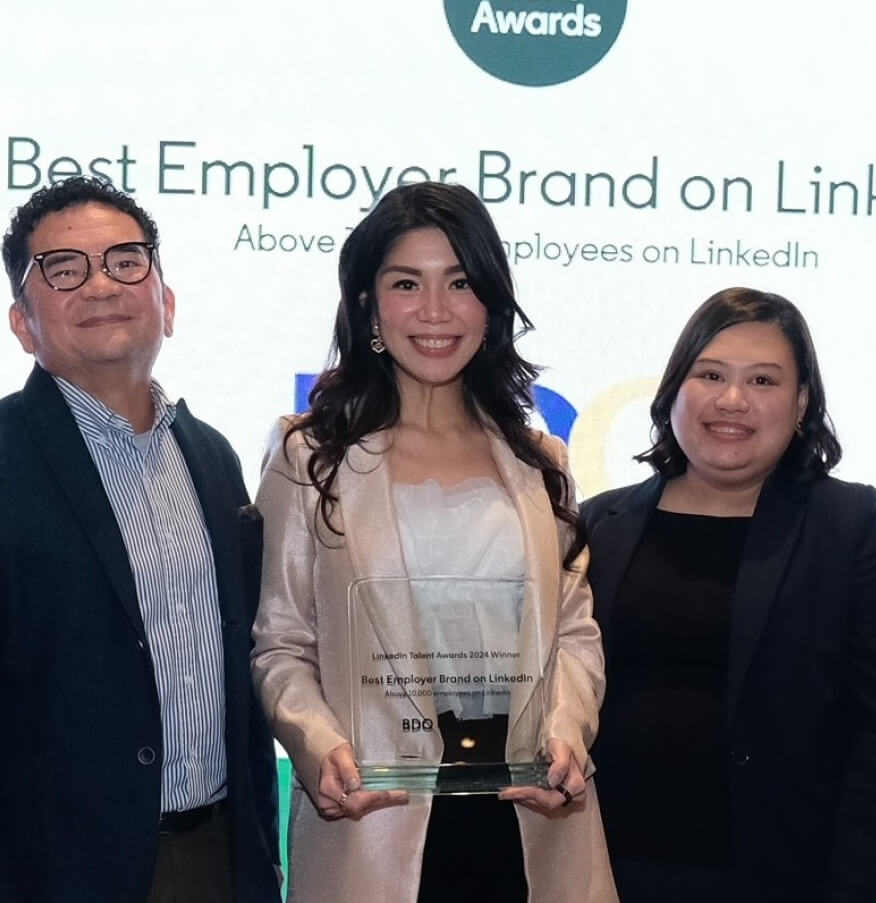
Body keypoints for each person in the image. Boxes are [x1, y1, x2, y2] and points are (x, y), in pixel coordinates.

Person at [250, 181, 616, 903]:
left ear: (491, 302)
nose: (435, 311)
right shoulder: (309, 456)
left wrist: (567, 737)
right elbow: (282, 642)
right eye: (406, 283)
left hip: (525, 821)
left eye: (460, 282)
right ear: (368, 304)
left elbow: (574, 630)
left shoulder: (542, 461)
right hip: (374, 825)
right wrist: (318, 747)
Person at [580, 287, 876, 902]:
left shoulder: (849, 526)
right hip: (607, 867)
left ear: (801, 403)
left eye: (763, 381)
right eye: (710, 374)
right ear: (673, 389)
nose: (732, 400)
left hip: (777, 875)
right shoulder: (600, 523)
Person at [0, 177, 280, 902]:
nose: (100, 284)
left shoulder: (213, 457)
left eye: (126, 261)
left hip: (222, 856)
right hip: (52, 868)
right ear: (23, 323)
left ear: (167, 301)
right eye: (63, 269)